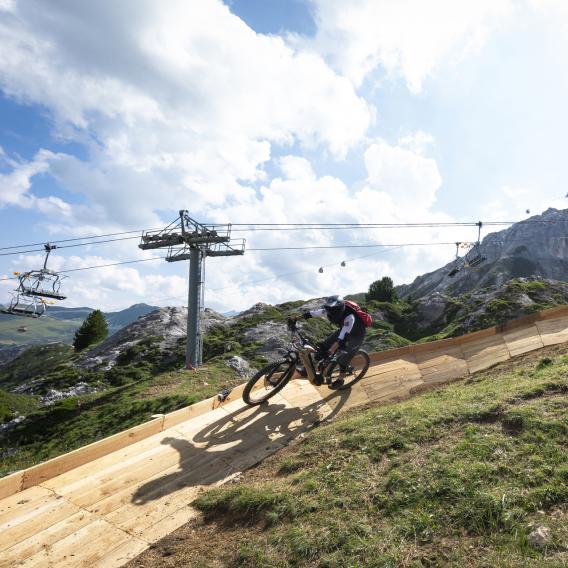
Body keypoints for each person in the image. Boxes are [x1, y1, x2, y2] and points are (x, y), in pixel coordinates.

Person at [301, 295, 367, 389]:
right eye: (329, 310)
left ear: (339, 309)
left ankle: (340, 380)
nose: (330, 313)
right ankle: (308, 369)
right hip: (344, 330)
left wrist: (329, 352)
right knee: (323, 346)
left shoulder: (349, 317)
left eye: (333, 311)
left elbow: (341, 339)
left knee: (343, 359)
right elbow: (312, 314)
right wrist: (295, 319)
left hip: (357, 335)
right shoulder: (329, 310)